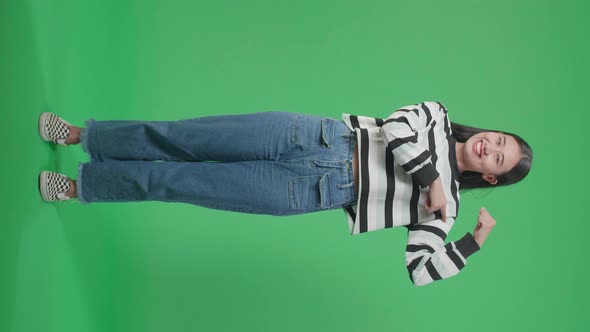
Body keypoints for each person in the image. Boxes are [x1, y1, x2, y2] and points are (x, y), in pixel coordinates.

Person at [37, 101, 533, 286]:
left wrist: (470, 241)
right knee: (182, 135)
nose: (491, 148)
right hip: (309, 135)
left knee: (181, 182)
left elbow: (421, 271)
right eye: (500, 140)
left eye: (498, 159)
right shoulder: (437, 118)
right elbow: (399, 125)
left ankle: (81, 186)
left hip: (309, 190)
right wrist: (432, 181)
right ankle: (86, 136)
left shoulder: (448, 214)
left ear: (491, 177)